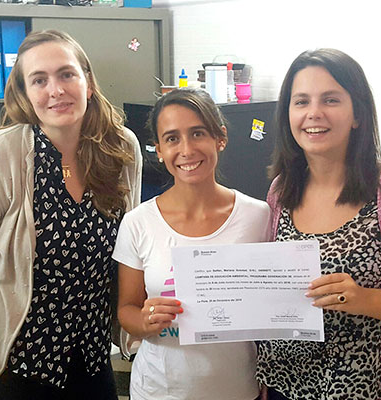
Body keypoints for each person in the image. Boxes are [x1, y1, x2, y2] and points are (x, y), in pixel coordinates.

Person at [0, 30, 142, 400]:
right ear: (25, 94)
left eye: (66, 74)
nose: (56, 90)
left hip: (93, 361)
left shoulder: (121, 149)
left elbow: (129, 253)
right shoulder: (0, 156)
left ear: (89, 83)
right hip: (17, 370)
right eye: (39, 80)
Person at [256, 49, 381, 400]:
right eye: (301, 101)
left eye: (331, 99)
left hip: (363, 389)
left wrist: (363, 299)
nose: (314, 113)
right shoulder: (281, 191)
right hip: (283, 385)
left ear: (358, 114)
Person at [113, 88, 270, 400]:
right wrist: (144, 321)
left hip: (238, 388)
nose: (186, 149)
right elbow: (126, 309)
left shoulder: (258, 216)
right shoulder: (138, 222)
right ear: (159, 150)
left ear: (220, 138)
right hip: (159, 389)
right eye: (172, 138)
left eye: (197, 133)